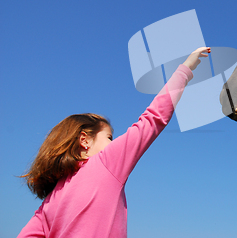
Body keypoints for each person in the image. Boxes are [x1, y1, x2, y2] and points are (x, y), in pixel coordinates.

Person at [18, 47, 211, 238]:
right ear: (84, 140)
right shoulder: (105, 163)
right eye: (109, 137)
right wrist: (186, 68)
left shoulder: (48, 204)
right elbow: (153, 118)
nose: (113, 143)